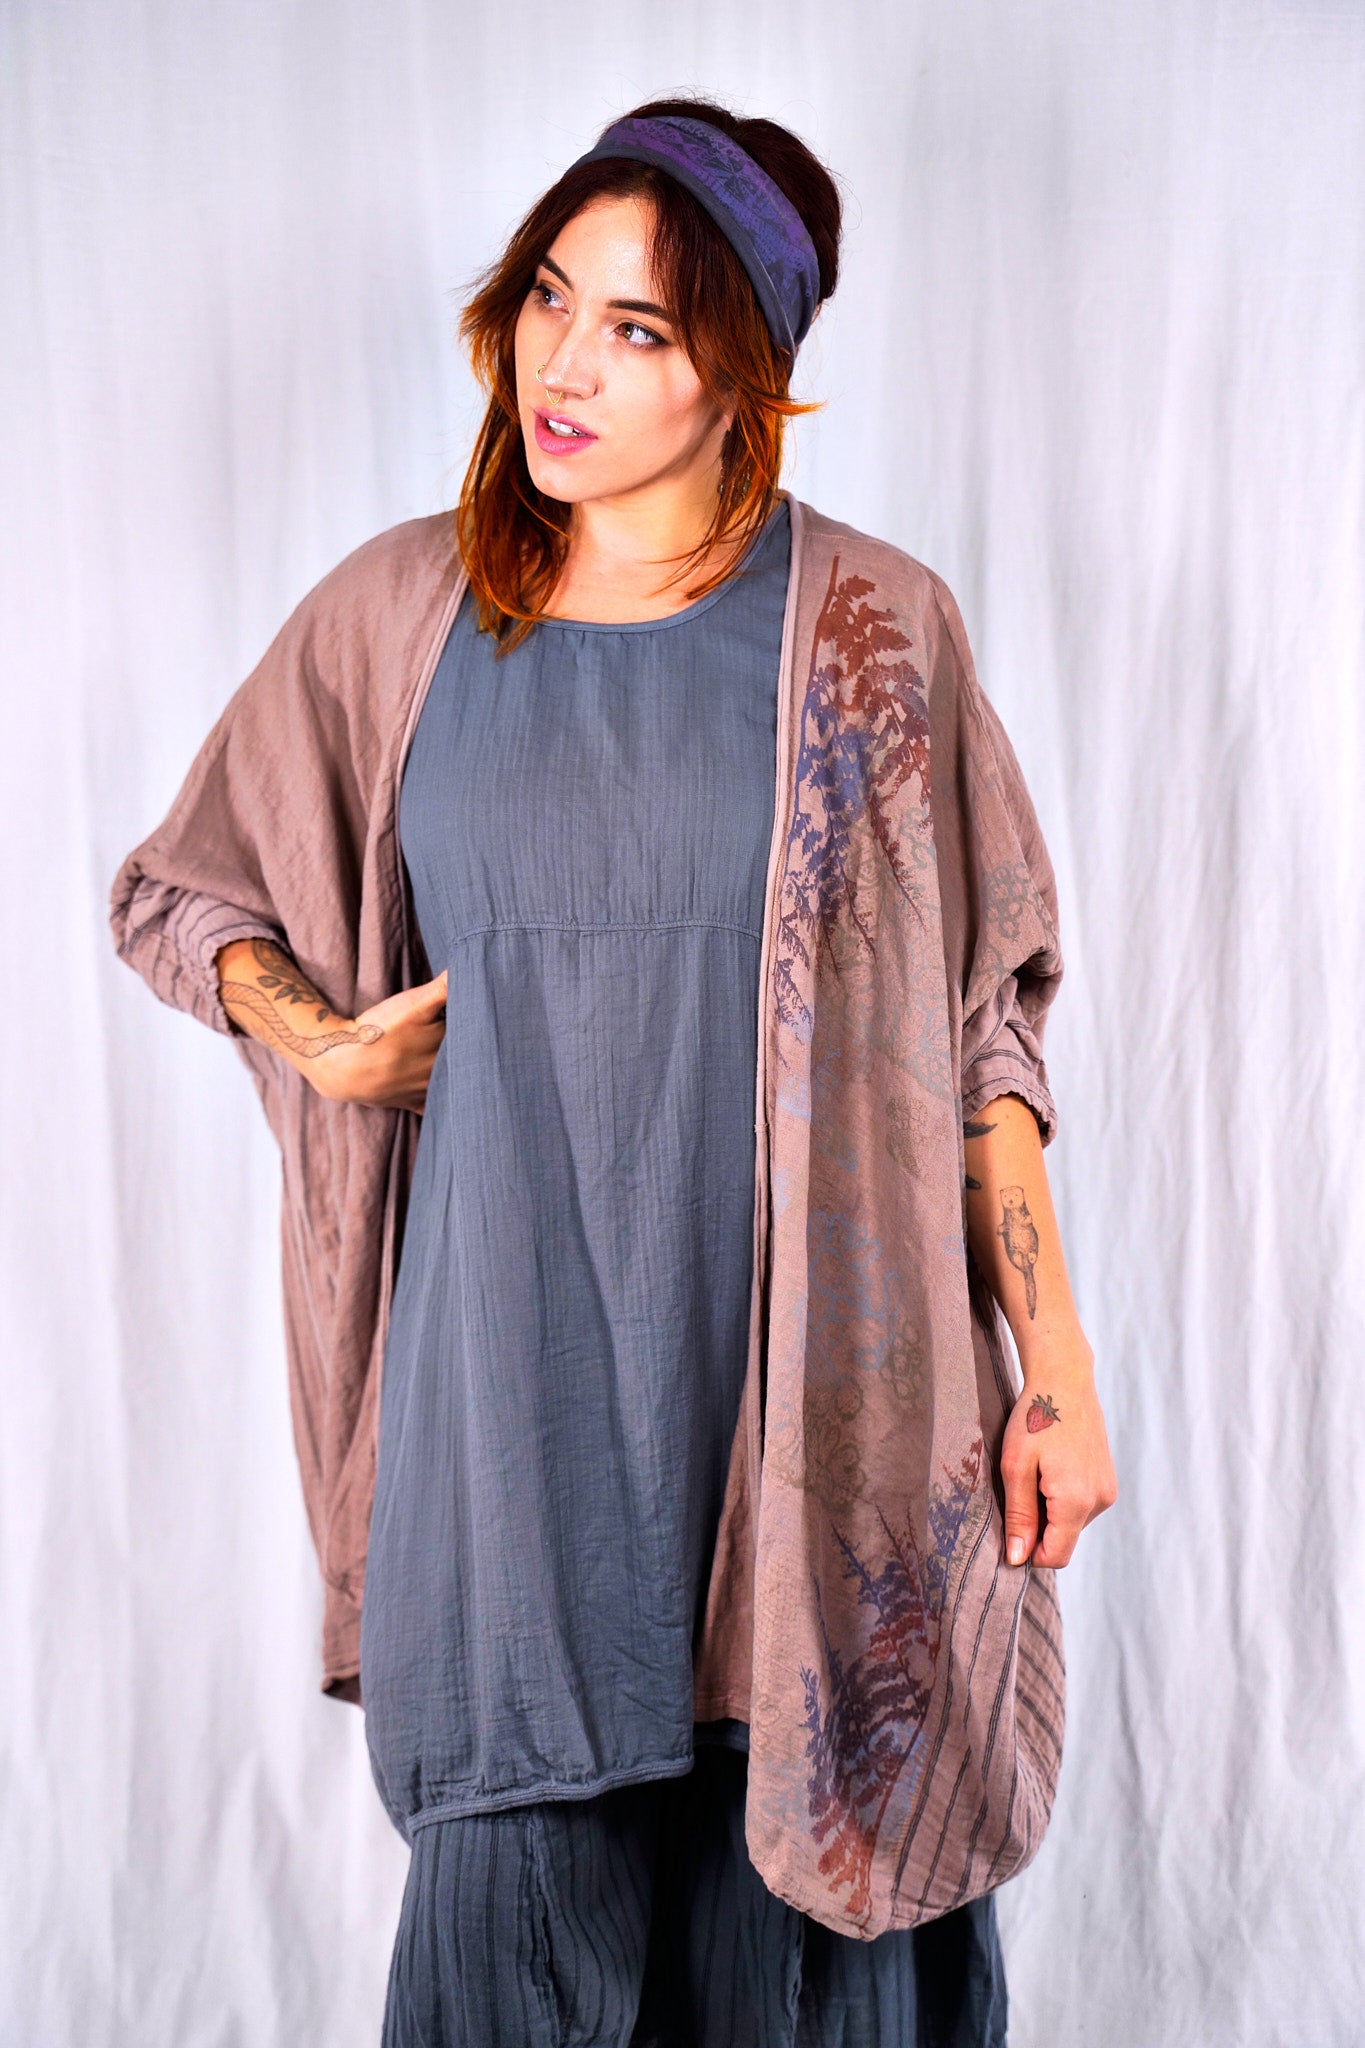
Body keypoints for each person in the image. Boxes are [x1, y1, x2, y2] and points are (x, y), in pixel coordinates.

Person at [110, 96, 1117, 2047]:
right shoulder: (404, 617)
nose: (558, 364)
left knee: (806, 1963)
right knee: (513, 1951)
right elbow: (187, 888)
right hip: (512, 1436)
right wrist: (322, 1039)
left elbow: (978, 1022)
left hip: (824, 1436)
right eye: (547, 298)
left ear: (744, 373)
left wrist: (1054, 1360)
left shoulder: (869, 633)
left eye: (637, 328)